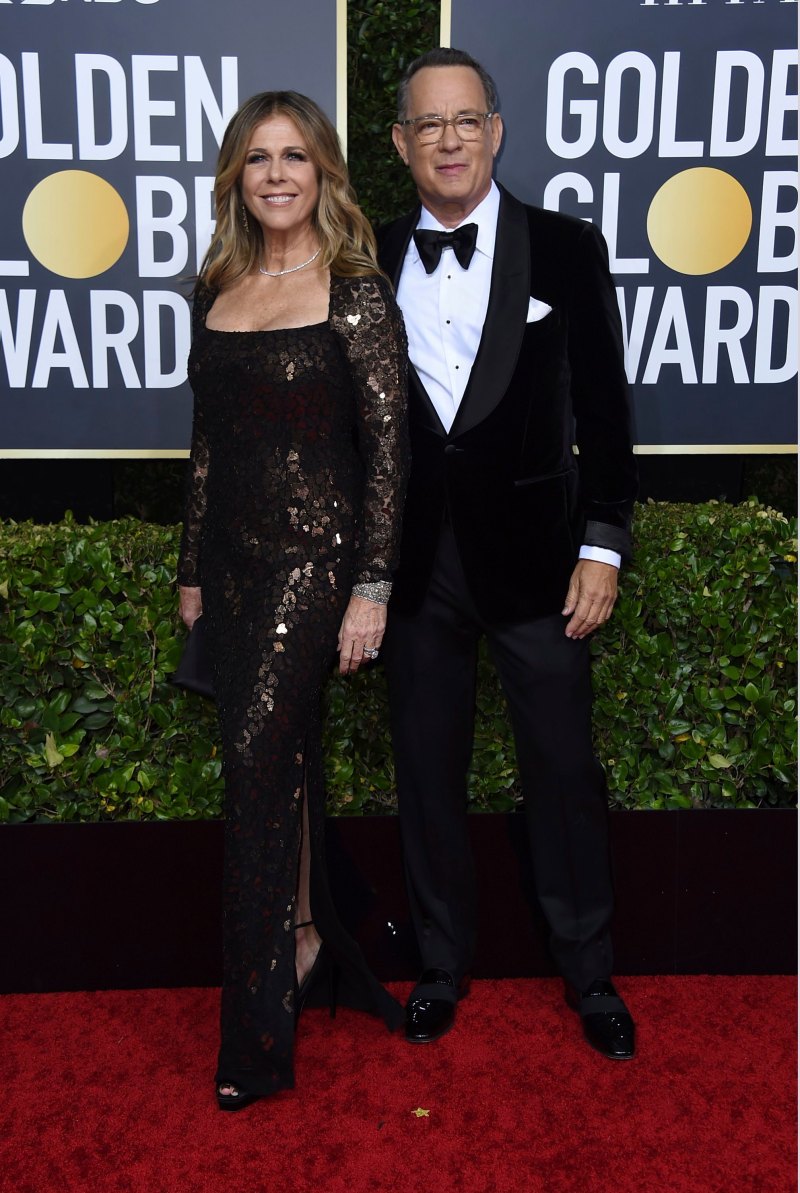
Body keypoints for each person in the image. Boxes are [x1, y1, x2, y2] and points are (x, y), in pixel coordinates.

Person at [377, 49, 639, 1059]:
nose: (448, 139)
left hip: (537, 560)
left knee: (564, 771)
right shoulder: (370, 252)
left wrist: (602, 543)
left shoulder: (566, 248)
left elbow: (604, 409)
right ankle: (440, 966)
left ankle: (588, 972)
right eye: (426, 125)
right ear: (400, 144)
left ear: (495, 131)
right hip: (411, 565)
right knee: (426, 772)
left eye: (465, 120)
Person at [178, 90, 409, 1110]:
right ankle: (310, 938)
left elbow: (388, 452)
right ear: (238, 175)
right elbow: (206, 450)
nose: (277, 174)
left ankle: (254, 1041)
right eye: (259, 158)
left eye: (296, 157)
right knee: (286, 758)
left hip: (314, 565)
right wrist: (191, 570)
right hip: (228, 566)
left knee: (253, 765)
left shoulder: (354, 289)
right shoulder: (217, 284)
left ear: (322, 174)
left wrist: (369, 583)